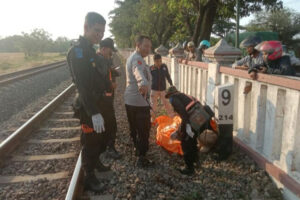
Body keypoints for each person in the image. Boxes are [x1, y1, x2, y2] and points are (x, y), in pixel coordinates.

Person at [67, 12, 112, 192]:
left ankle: (97, 162)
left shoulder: (90, 50)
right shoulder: (77, 52)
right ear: (86, 28)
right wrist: (93, 112)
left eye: (102, 32)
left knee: (101, 138)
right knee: (90, 141)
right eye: (96, 31)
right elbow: (83, 86)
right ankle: (89, 177)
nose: (99, 35)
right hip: (88, 106)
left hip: (99, 101)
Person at [165, 86, 215, 175]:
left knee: (186, 143)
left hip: (195, 119)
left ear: (170, 95)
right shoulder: (185, 96)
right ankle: (196, 161)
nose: (169, 100)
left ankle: (189, 168)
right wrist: (179, 130)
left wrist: (186, 127)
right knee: (192, 140)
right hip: (203, 117)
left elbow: (184, 114)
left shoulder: (173, 99)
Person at [124, 35, 153, 168]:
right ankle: (142, 157)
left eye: (149, 46)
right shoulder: (137, 59)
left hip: (130, 101)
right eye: (145, 46)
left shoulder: (134, 57)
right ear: (138, 45)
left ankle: (137, 149)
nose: (148, 49)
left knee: (134, 127)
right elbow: (138, 71)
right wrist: (142, 82)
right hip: (140, 102)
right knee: (143, 130)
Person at [98, 38, 121, 159]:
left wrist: (114, 72)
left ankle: (104, 146)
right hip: (103, 98)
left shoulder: (104, 59)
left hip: (107, 96)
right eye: (110, 51)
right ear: (104, 49)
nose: (111, 53)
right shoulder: (99, 60)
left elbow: (107, 72)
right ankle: (109, 148)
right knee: (111, 124)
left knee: (108, 122)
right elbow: (99, 78)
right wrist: (110, 84)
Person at [150, 54, 173, 120]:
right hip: (154, 89)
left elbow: (168, 76)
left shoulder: (164, 67)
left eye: (160, 61)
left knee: (167, 104)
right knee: (153, 105)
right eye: (157, 61)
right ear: (154, 61)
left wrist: (171, 84)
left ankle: (171, 117)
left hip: (163, 90)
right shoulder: (151, 68)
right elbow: (148, 79)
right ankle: (153, 119)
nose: (159, 63)